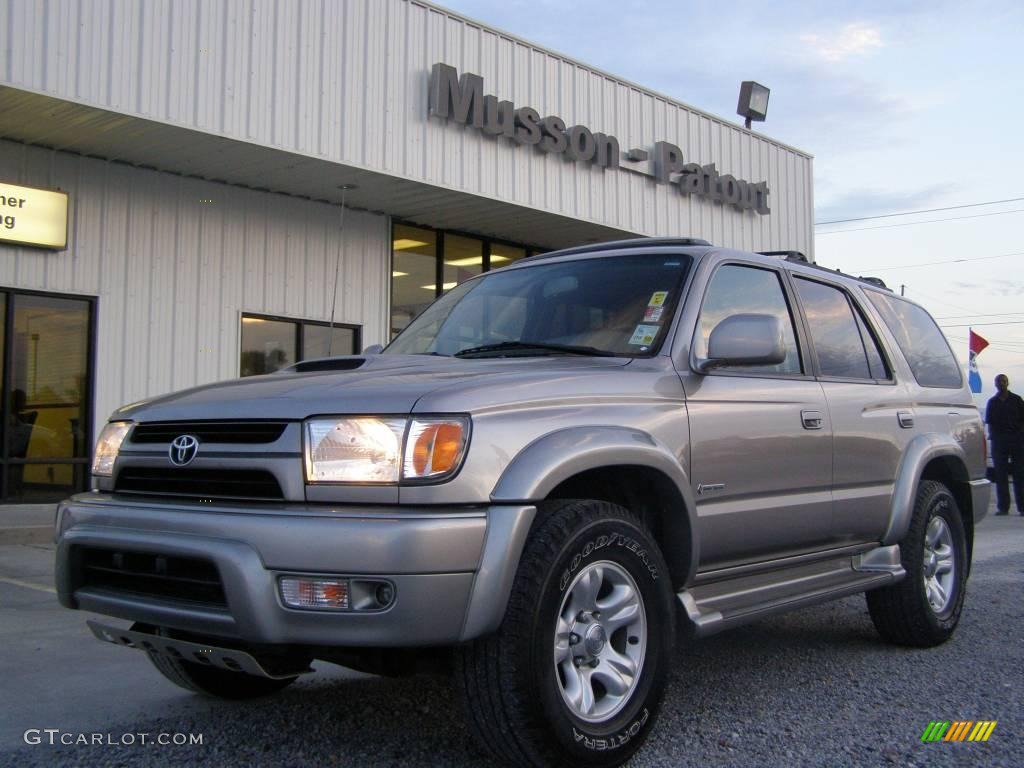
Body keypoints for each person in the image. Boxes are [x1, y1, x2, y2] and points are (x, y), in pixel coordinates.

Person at [985, 373, 1024, 515]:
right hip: (999, 442)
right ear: (995, 384)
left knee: (1019, 475)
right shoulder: (992, 402)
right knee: (1001, 476)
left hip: (1017, 441)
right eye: (999, 381)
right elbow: (989, 423)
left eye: (1004, 381)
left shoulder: (1017, 400)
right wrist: (994, 438)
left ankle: (1022, 508)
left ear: (1008, 383)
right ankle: (1003, 508)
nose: (1001, 383)